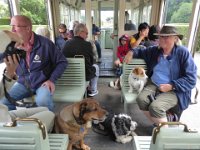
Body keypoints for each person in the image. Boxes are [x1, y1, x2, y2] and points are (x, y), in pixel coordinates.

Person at [124, 25, 197, 126]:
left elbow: (191, 79)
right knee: (141, 100)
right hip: (154, 84)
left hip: (175, 89)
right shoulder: (155, 50)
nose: (162, 39)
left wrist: (172, 85)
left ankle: (165, 133)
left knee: (155, 107)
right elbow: (140, 51)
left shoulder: (183, 53)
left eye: (166, 37)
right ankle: (163, 122)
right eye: (161, 36)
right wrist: (131, 52)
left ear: (175, 39)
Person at [0, 15, 67, 111]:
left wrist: (51, 80)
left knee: (42, 100)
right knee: (4, 101)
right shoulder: (11, 46)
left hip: (42, 83)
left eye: (15, 26)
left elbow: (62, 62)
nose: (12, 30)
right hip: (23, 83)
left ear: (27, 28)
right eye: (11, 26)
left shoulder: (45, 43)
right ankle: (14, 123)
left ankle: (50, 124)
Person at [0, 30, 54, 133]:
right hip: (4, 125)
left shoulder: (46, 45)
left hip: (4, 115)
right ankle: (21, 133)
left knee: (44, 108)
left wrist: (9, 74)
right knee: (50, 114)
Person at [62, 23, 99, 97]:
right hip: (83, 76)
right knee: (96, 67)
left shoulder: (66, 44)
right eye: (86, 33)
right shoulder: (87, 44)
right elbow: (91, 62)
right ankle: (93, 90)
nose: (87, 35)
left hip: (69, 76)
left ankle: (87, 87)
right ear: (81, 33)